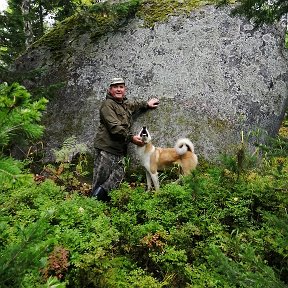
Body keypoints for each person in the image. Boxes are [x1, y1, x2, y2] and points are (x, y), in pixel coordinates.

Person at [91, 77, 159, 201]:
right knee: (100, 181)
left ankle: (101, 204)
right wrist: (131, 138)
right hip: (106, 149)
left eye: (121, 87)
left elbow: (134, 105)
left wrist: (146, 104)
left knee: (116, 178)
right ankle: (91, 207)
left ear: (124, 89)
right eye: (115, 87)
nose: (118, 89)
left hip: (120, 151)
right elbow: (115, 127)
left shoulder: (124, 104)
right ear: (110, 90)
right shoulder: (107, 105)